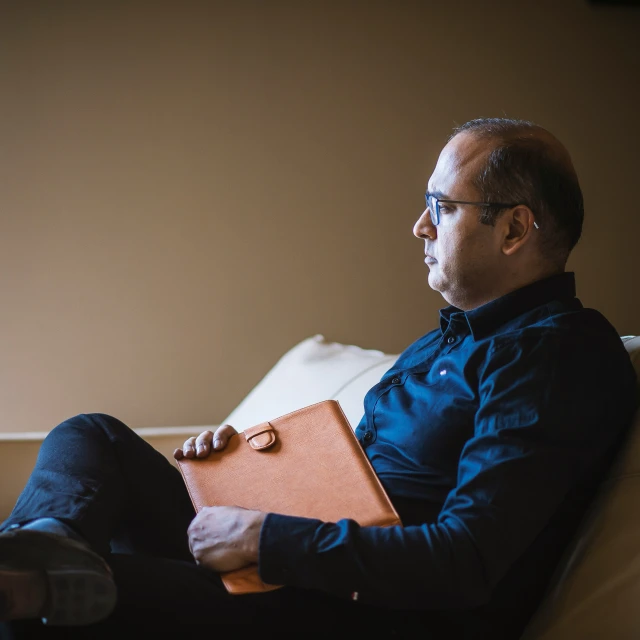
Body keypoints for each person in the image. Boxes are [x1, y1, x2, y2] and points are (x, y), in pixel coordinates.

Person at [0, 118, 637, 640]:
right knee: (91, 438)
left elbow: (464, 561)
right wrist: (240, 473)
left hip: (367, 610)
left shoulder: (556, 356)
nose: (420, 227)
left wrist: (265, 536)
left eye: (441, 207)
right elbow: (353, 483)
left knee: (53, 603)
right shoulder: (448, 338)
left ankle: (34, 576)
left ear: (515, 229)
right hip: (307, 563)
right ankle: (44, 546)